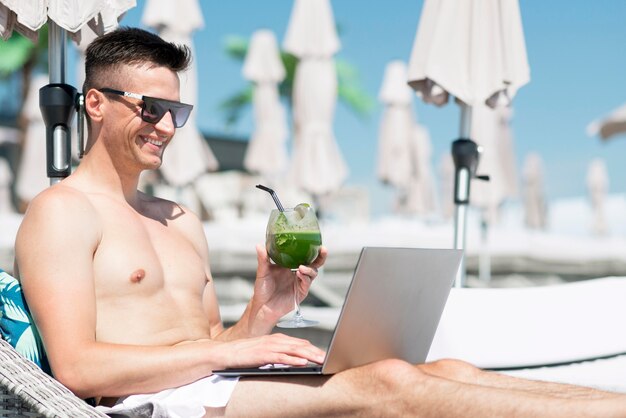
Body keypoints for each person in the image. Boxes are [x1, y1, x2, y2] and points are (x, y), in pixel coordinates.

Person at [14, 27, 626, 417]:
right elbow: (77, 368)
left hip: (211, 387)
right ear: (95, 102)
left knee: (447, 371)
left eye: (178, 110)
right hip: (149, 405)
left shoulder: (180, 219)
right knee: (388, 384)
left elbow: (209, 345)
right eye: (150, 108)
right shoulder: (61, 212)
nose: (167, 127)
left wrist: (263, 314)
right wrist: (239, 352)